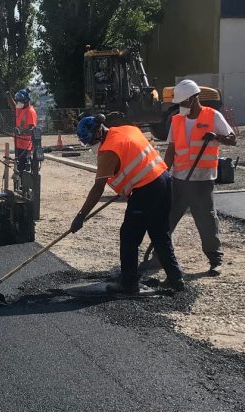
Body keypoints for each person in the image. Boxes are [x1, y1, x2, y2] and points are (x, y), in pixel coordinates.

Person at [69, 114, 185, 294]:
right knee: (159, 233)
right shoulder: (127, 129)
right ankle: (175, 278)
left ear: (98, 132)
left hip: (147, 189)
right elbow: (138, 157)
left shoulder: (108, 150)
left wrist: (80, 216)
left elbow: (98, 187)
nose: (91, 146)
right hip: (164, 180)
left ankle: (129, 283)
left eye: (90, 141)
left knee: (129, 236)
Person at [162, 80, 237, 276]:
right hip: (179, 179)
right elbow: (171, 149)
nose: (181, 107)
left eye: (184, 103)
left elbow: (232, 139)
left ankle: (214, 259)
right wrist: (163, 173)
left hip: (203, 180)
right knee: (167, 219)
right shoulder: (177, 120)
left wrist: (216, 137)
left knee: (206, 220)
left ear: (195, 99)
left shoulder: (213, 116)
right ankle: (160, 256)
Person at [8, 88, 37, 173]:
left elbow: (32, 128)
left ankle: (23, 185)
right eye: (18, 101)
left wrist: (20, 132)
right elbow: (14, 107)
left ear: (26, 100)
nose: (18, 103)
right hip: (18, 144)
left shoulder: (30, 112)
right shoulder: (22, 109)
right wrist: (8, 96)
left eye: (20, 101)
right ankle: (19, 184)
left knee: (23, 169)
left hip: (26, 146)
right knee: (18, 168)